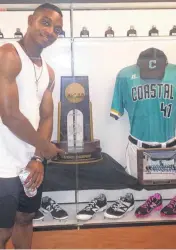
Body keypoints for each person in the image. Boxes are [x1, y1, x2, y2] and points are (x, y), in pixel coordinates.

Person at [0, 3, 64, 249]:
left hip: (30, 161)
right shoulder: (8, 55)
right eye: (45, 23)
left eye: (57, 29)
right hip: (3, 162)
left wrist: (38, 156)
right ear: (30, 20)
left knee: (25, 218)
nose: (50, 32)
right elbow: (9, 114)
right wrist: (46, 147)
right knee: (3, 230)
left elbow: (46, 117)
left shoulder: (48, 72)